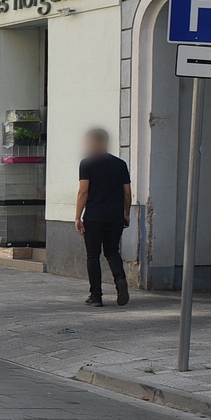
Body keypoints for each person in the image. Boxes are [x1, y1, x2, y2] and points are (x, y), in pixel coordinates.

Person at [75, 128, 132, 307]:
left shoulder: (87, 164)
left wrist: (77, 216)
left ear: (95, 142)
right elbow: (127, 192)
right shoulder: (120, 164)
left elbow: (83, 191)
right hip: (115, 216)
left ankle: (96, 296)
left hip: (94, 216)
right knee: (112, 251)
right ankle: (120, 281)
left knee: (93, 255)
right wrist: (126, 213)